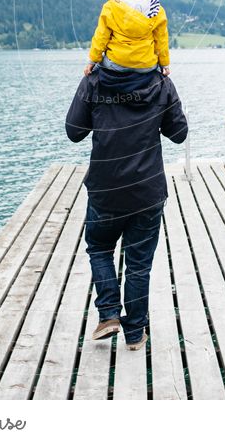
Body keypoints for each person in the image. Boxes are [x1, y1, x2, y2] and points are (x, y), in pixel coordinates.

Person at [65, 57, 188, 350]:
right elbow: (179, 133)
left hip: (105, 189)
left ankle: (108, 314)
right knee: (138, 265)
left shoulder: (94, 81)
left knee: (99, 247)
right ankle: (134, 334)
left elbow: (74, 131)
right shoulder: (161, 83)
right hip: (147, 191)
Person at [83, 0, 171, 78]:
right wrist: (165, 64)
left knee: (96, 71)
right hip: (146, 66)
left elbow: (101, 38)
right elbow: (161, 39)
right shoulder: (155, 9)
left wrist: (92, 61)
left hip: (116, 64)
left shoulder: (111, 7)